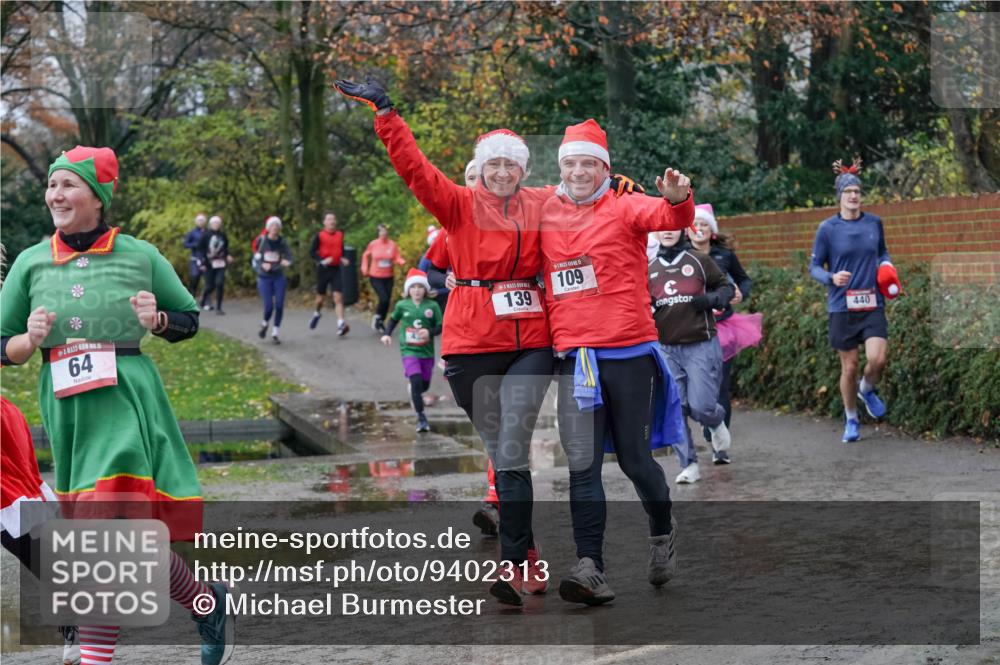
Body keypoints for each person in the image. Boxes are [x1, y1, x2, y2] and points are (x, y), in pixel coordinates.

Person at [0, 146, 233, 665]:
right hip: (69, 418)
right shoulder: (30, 263)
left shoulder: (139, 255)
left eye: (68, 186)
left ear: (98, 197)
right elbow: (2, 345)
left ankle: (95, 659)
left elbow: (188, 318)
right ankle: (204, 600)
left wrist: (159, 322)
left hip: (127, 407)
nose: (55, 195)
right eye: (52, 186)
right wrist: (26, 341)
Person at [336, 78, 555, 606]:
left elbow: (587, 183)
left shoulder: (543, 203)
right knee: (504, 456)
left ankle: (509, 565)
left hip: (532, 342)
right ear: (480, 170)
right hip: (471, 345)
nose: (503, 173)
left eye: (512, 165)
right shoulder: (456, 205)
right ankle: (527, 553)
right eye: (494, 165)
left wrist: (624, 185)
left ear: (523, 170)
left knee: (513, 449)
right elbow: (414, 169)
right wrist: (387, 114)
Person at [540, 119, 693, 605]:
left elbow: (669, 219)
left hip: (628, 352)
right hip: (575, 357)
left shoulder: (625, 206)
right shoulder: (544, 210)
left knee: (633, 459)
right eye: (570, 162)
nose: (579, 171)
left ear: (605, 167)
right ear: (560, 167)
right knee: (581, 465)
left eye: (589, 162)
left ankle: (662, 527)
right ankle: (590, 567)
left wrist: (676, 198)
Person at [809, 158, 894, 443]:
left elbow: (882, 253)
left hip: (872, 302)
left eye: (857, 191)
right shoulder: (827, 229)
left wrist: (887, 267)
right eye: (848, 192)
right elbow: (814, 267)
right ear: (840, 197)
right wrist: (831, 278)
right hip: (842, 306)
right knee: (850, 366)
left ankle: (867, 389)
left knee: (878, 359)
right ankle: (851, 418)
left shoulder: (874, 223)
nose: (854, 196)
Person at [650, 228, 734, 484]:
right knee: (676, 408)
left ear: (682, 230)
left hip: (701, 343)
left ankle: (716, 421)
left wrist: (712, 299)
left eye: (672, 227)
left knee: (701, 407)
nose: (667, 232)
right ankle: (688, 465)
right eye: (661, 228)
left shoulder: (699, 259)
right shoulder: (649, 267)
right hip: (666, 348)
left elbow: (727, 288)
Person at [686, 204, 760, 462]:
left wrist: (740, 292)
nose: (700, 229)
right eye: (695, 224)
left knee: (720, 385)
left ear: (712, 230)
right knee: (696, 385)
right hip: (691, 329)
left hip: (724, 328)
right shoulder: (681, 257)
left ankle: (720, 444)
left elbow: (744, 279)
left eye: (705, 224)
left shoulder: (724, 255)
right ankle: (709, 420)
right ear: (687, 229)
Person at [380, 269, 443, 432]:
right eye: (413, 287)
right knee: (415, 381)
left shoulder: (432, 306)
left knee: (424, 385)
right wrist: (387, 334)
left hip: (427, 352)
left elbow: (441, 326)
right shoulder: (402, 305)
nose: (416, 290)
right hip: (409, 351)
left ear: (425, 290)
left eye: (420, 287)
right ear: (408, 290)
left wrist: (429, 332)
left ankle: (416, 392)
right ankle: (421, 418)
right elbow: (393, 320)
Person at [309, 211, 351, 336]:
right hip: (323, 269)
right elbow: (312, 252)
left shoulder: (339, 234)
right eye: (329, 219)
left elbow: (340, 249)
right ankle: (317, 313)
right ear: (324, 222)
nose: (332, 221)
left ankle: (340, 324)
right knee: (320, 299)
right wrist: (321, 260)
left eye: (333, 219)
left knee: (338, 297)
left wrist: (343, 257)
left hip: (336, 269)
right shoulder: (320, 235)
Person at [253, 216, 293, 344]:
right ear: (268, 228)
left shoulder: (282, 242)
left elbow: (290, 256)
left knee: (280, 305)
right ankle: (264, 324)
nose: (275, 228)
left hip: (278, 276)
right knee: (269, 306)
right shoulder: (262, 240)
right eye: (272, 226)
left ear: (280, 228)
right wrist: (261, 265)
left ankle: (275, 332)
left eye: (277, 226)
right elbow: (256, 258)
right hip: (264, 277)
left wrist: (288, 262)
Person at [360, 224, 406, 334]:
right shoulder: (373, 244)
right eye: (381, 231)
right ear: (378, 233)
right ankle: (378, 317)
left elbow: (396, 257)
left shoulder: (392, 244)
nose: (384, 233)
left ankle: (380, 320)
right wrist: (364, 268)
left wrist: (401, 261)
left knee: (387, 300)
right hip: (375, 276)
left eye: (385, 231)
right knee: (383, 298)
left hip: (389, 276)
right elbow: (365, 256)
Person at [198, 214, 232, 314]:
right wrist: (202, 263)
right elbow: (201, 250)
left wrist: (228, 255)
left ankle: (219, 308)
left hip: (220, 263)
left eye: (218, 223)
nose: (216, 225)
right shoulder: (205, 235)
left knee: (220, 283)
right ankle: (203, 298)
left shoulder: (223, 235)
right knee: (209, 286)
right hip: (208, 264)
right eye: (214, 223)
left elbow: (225, 248)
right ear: (210, 224)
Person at [183, 213, 207, 295]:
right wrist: (195, 244)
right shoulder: (192, 233)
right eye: (199, 220)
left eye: (202, 220)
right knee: (194, 278)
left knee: (208, 281)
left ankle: (206, 301)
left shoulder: (207, 232)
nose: (201, 222)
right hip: (195, 259)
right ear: (196, 222)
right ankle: (191, 297)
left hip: (206, 259)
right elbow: (185, 244)